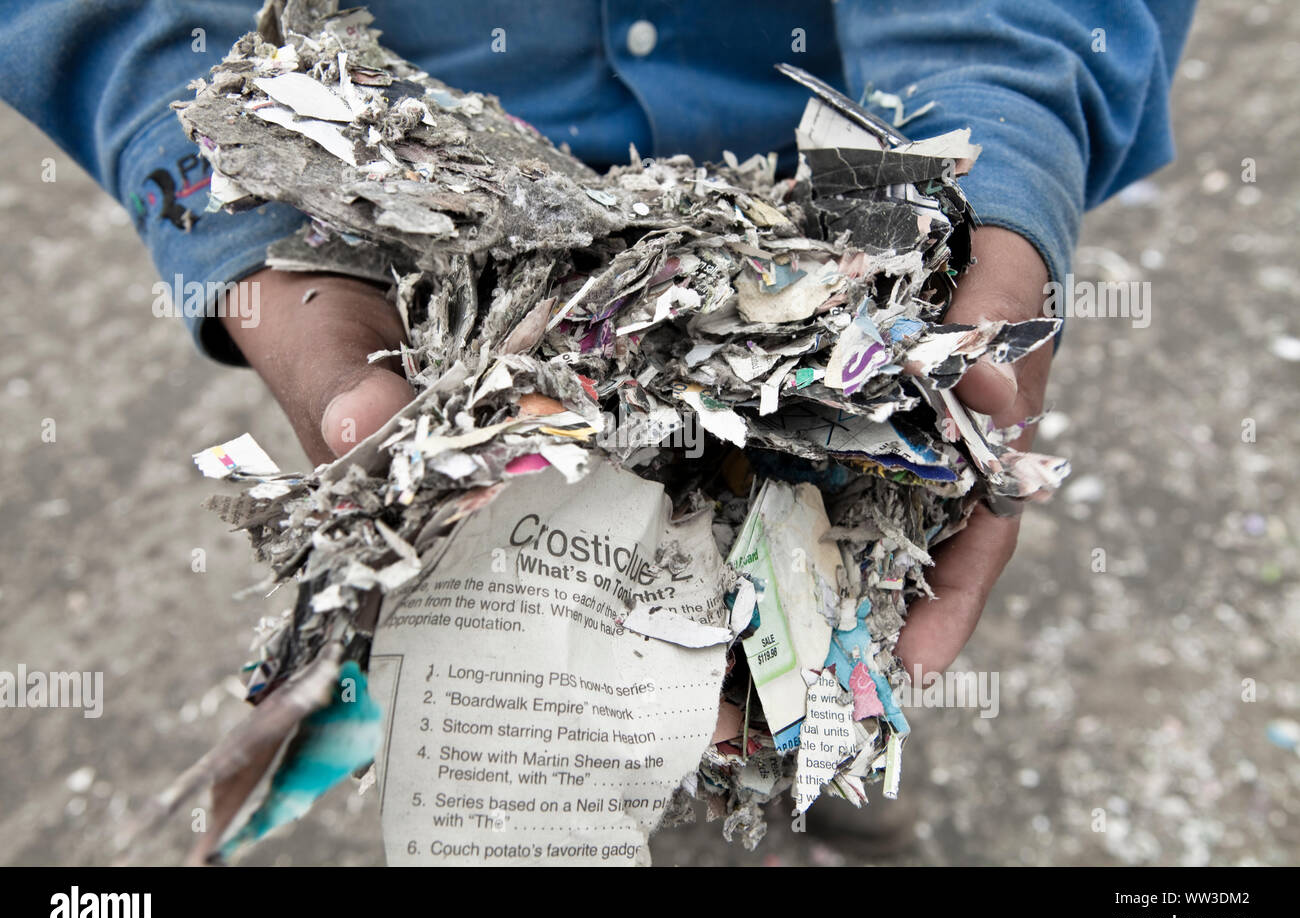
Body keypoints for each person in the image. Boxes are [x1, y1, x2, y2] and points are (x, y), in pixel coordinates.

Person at [2, 0, 1192, 756]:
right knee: (522, 608)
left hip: (838, 207)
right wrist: (267, 245)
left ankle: (809, 756)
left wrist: (985, 174)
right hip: (443, 255)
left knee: (827, 589)